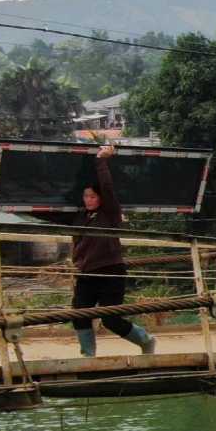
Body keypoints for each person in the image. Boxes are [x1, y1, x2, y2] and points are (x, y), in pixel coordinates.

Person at [70, 144, 157, 357]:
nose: (88, 200)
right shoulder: (81, 217)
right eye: (85, 196)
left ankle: (145, 340)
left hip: (111, 272)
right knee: (80, 315)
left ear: (100, 198)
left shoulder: (110, 213)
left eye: (92, 196)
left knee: (110, 318)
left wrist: (101, 161)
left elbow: (107, 187)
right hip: (86, 273)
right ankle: (88, 355)